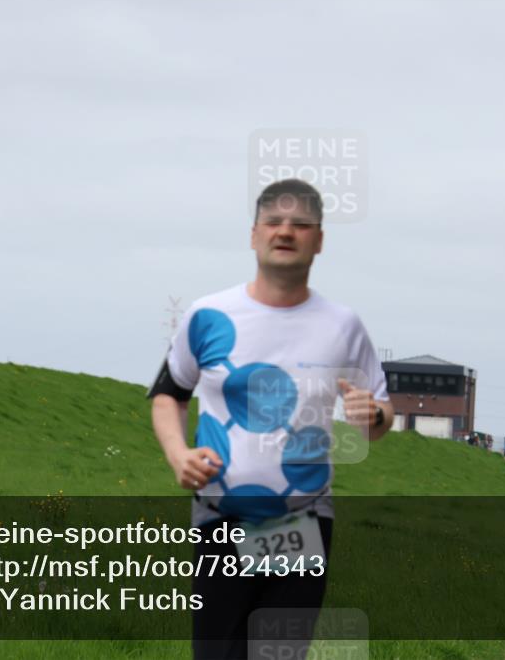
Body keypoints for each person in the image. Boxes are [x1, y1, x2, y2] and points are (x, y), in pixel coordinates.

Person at [148, 179, 393, 660]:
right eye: (274, 222)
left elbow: (380, 415)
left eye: (300, 224)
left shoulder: (342, 326)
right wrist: (178, 455)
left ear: (319, 240)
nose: (285, 232)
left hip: (302, 519)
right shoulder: (208, 315)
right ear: (254, 234)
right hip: (220, 518)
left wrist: (373, 415)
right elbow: (168, 395)